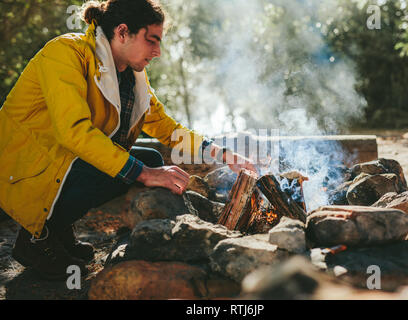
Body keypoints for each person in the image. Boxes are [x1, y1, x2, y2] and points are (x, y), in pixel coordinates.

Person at [0, 0, 256, 280]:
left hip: (61, 162)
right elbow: (73, 131)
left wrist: (223, 154)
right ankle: (36, 238)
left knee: (151, 159)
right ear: (122, 32)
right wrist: (145, 175)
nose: (157, 52)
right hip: (24, 167)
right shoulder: (65, 53)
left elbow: (165, 126)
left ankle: (57, 227)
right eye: (152, 40)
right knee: (141, 167)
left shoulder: (131, 74)